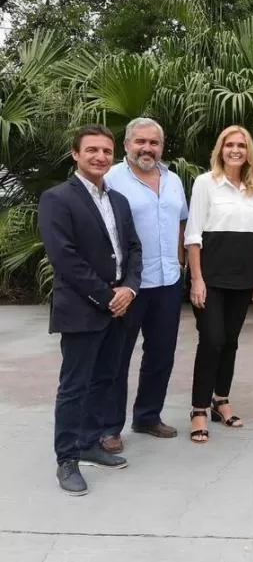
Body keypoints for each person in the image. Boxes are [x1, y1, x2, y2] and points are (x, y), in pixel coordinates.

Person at [38, 124, 142, 495]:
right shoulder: (57, 199)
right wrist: (106, 296)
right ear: (75, 154)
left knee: (104, 379)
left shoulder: (118, 201)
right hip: (83, 309)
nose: (100, 157)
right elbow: (65, 258)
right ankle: (66, 458)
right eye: (92, 150)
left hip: (119, 307)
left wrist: (129, 288)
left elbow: (133, 250)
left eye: (106, 151)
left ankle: (89, 443)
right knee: (74, 386)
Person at [101, 118, 187, 450]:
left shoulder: (173, 180)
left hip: (167, 281)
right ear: (127, 145)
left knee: (161, 353)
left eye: (154, 143)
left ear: (161, 147)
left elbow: (181, 222)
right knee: (117, 356)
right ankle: (109, 427)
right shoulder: (111, 179)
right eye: (140, 142)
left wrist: (179, 260)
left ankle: (148, 416)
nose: (147, 148)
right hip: (128, 285)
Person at [184, 125, 253, 443]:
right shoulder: (206, 183)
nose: (235, 150)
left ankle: (221, 401)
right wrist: (197, 280)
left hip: (243, 278)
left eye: (241, 145)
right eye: (229, 145)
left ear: (248, 152)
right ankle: (199, 409)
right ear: (220, 149)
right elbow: (192, 236)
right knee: (212, 340)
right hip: (211, 277)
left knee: (230, 341)